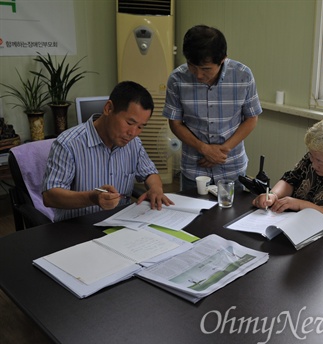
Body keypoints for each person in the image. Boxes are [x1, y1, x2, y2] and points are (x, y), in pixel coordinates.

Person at [43, 81, 174, 222]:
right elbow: (50, 196)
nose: (133, 133)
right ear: (108, 108)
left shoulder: (133, 143)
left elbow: (149, 173)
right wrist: (92, 198)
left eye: (141, 127)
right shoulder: (69, 143)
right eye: (130, 123)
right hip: (78, 227)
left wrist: (155, 189)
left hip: (121, 224)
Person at [163, 24, 262, 192]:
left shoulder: (243, 75)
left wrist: (222, 150)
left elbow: (251, 118)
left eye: (206, 69)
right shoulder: (177, 79)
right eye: (192, 66)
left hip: (232, 166)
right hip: (194, 168)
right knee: (193, 217)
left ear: (223, 59)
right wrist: (204, 149)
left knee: (233, 216)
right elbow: (175, 123)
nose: (198, 74)